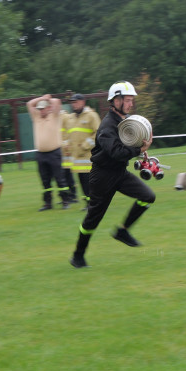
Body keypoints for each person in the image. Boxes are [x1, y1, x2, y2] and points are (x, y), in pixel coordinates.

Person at [69, 81, 155, 269]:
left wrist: (143, 152)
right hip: (102, 177)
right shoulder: (107, 126)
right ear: (116, 100)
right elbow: (116, 152)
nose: (131, 104)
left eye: (132, 100)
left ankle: (122, 232)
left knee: (148, 197)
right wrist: (138, 149)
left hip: (119, 173)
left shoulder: (126, 121)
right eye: (128, 100)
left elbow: (130, 145)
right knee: (93, 219)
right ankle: (78, 255)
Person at [28, 94, 72, 210]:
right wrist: (42, 98)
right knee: (45, 180)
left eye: (43, 108)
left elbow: (57, 101)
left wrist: (48, 99)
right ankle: (48, 203)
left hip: (54, 153)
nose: (41, 111)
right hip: (41, 154)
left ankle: (65, 201)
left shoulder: (55, 116)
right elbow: (29, 104)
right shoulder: (36, 117)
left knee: (59, 178)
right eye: (39, 109)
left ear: (48, 108)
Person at [64, 93, 101, 203]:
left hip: (89, 157)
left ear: (83, 102)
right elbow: (69, 135)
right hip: (77, 158)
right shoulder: (71, 118)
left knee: (90, 181)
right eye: (72, 103)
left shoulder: (91, 115)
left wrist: (85, 146)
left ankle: (93, 203)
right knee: (83, 182)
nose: (73, 105)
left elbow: (98, 134)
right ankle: (89, 203)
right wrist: (67, 146)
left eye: (76, 102)